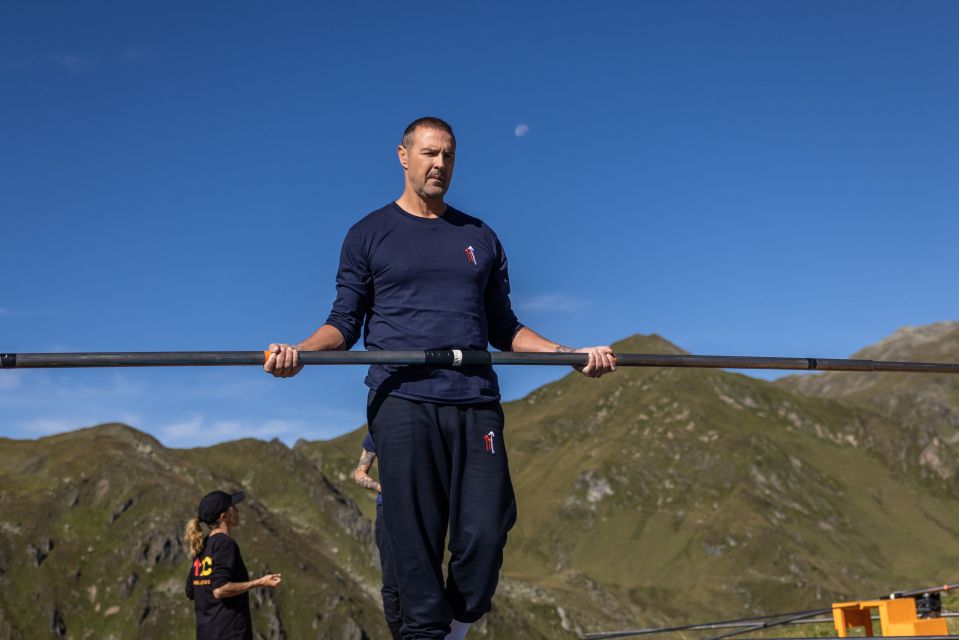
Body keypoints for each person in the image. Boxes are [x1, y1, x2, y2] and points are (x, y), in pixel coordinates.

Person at [264, 116, 616, 640]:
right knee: (414, 540)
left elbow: (506, 328)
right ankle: (424, 633)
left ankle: (454, 625)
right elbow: (342, 324)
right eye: (429, 153)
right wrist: (300, 352)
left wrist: (569, 354)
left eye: (448, 155)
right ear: (403, 156)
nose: (440, 164)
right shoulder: (368, 234)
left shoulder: (480, 236)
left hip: (474, 398)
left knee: (487, 530)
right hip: (401, 398)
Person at [184, 490, 282, 640]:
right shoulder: (225, 544)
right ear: (224, 517)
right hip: (229, 634)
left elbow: (191, 592)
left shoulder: (202, 546)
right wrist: (260, 582)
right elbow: (219, 589)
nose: (237, 510)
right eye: (233, 507)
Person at [354, 434, 402, 639]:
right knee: (391, 584)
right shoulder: (380, 427)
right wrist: (382, 488)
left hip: (423, 510)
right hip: (388, 510)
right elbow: (359, 474)